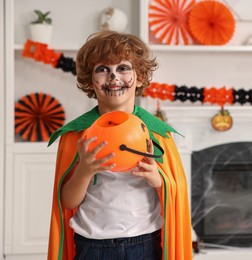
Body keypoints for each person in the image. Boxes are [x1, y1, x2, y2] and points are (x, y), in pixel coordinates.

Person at [47, 31, 193, 260]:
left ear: (141, 77)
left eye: (123, 68)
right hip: (92, 246)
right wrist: (84, 171)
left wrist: (159, 180)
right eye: (102, 69)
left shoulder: (157, 133)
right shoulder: (77, 135)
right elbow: (66, 201)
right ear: (89, 80)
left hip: (144, 243)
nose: (114, 77)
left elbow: (176, 192)